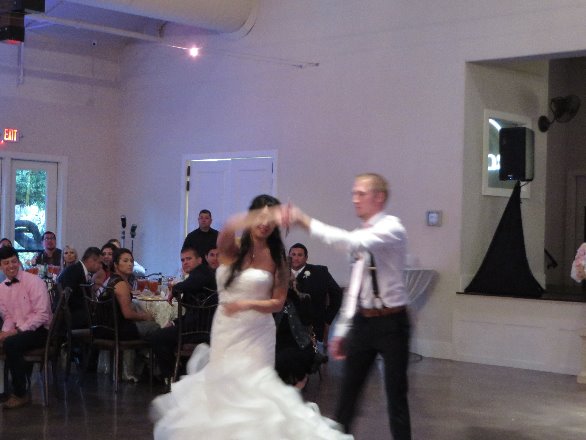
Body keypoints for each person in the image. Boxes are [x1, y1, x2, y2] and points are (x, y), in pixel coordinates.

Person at [151, 195, 352, 440]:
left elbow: (278, 302)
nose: (265, 224)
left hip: (257, 331)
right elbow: (228, 227)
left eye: (271, 220)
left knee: (254, 389)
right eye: (260, 217)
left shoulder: (277, 257)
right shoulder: (232, 248)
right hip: (226, 329)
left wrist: (246, 304)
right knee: (225, 387)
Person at [286, 173, 412, 439]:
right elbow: (356, 285)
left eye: (361, 194)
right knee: (348, 393)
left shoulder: (392, 228)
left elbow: (352, 243)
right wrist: (343, 330)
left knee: (396, 395)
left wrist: (305, 221)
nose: (355, 199)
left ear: (379, 197)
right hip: (365, 323)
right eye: (354, 193)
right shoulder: (361, 234)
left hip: (393, 323)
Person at [146, 245, 217, 380]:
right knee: (162, 334)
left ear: (199, 260)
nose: (185, 262)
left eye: (189, 259)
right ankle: (178, 373)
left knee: (157, 337)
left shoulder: (202, 273)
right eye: (182, 260)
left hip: (198, 330)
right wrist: (174, 322)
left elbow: (185, 287)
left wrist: (175, 289)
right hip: (198, 327)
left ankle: (173, 376)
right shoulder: (198, 276)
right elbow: (193, 311)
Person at [0, 246, 52, 409]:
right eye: (6, 263)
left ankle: (21, 393)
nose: (11, 266)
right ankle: (4, 390)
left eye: (14, 261)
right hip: (20, 331)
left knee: (11, 343)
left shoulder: (34, 281)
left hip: (41, 330)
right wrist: (4, 332)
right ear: (1, 266)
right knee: (5, 340)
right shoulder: (1, 288)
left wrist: (16, 332)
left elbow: (42, 315)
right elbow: (8, 317)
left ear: (19, 262)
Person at [289, 243, 342, 352]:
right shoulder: (280, 272)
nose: (296, 258)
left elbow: (337, 294)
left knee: (312, 356)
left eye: (300, 255)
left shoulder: (320, 272)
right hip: (286, 328)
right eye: (293, 254)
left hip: (313, 326)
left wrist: (327, 319)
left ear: (306, 258)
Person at [101, 248, 158, 340]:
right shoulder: (120, 284)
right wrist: (144, 316)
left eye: (131, 261)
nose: (130, 264)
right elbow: (127, 314)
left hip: (107, 328)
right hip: (117, 330)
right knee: (155, 326)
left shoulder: (114, 279)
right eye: (125, 261)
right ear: (115, 264)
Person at [57, 247, 102, 329]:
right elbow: (71, 300)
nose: (100, 266)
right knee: (104, 320)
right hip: (71, 318)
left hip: (73, 314)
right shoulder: (74, 271)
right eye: (99, 263)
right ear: (91, 260)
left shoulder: (78, 269)